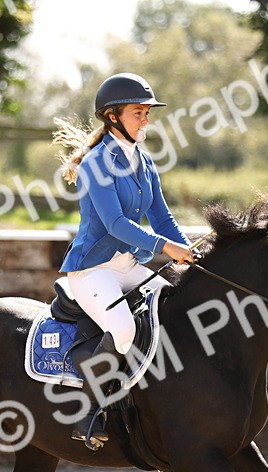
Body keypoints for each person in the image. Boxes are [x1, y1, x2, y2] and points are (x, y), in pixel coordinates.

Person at [53, 73, 192, 450]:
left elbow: (163, 219)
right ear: (113, 116)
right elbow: (116, 223)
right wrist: (166, 248)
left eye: (147, 112)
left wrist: (190, 252)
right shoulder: (97, 163)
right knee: (124, 328)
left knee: (176, 306)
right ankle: (89, 411)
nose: (145, 119)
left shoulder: (144, 162)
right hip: (93, 270)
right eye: (138, 112)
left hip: (128, 264)